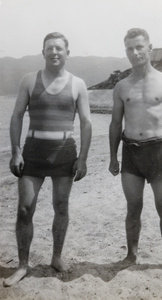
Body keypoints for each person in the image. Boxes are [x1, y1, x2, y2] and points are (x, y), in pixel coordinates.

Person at [3, 32, 92, 287]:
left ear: (67, 52)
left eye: (59, 48)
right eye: (49, 48)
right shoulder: (29, 80)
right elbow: (17, 116)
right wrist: (16, 151)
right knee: (24, 208)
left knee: (61, 207)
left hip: (65, 151)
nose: (54, 52)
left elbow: (86, 123)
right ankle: (22, 265)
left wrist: (83, 158)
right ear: (43, 52)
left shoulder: (78, 84)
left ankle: (56, 257)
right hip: (33, 151)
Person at [109, 28, 162, 277]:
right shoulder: (121, 86)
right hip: (131, 152)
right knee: (133, 208)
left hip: (159, 151)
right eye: (130, 48)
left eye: (140, 47)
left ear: (150, 48)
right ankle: (131, 255)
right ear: (126, 52)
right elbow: (115, 124)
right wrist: (112, 157)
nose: (135, 52)